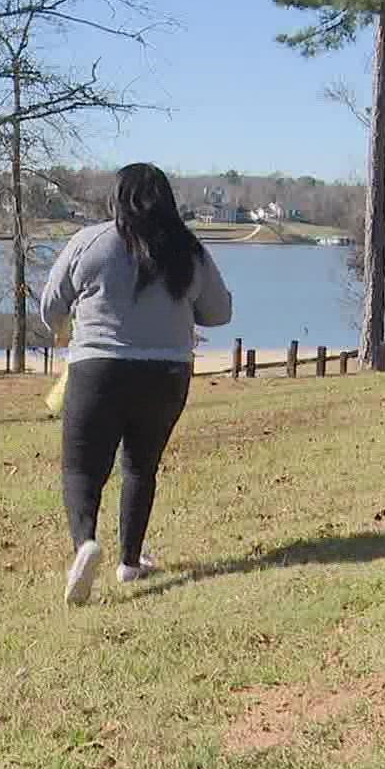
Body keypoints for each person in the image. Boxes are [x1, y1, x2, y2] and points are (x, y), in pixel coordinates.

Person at [40, 161, 233, 604]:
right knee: (141, 467)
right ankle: (129, 563)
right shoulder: (188, 249)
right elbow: (219, 313)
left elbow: (51, 304)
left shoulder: (88, 241)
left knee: (81, 469)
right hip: (167, 373)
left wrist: (63, 327)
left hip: (97, 369)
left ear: (116, 199)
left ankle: (85, 544)